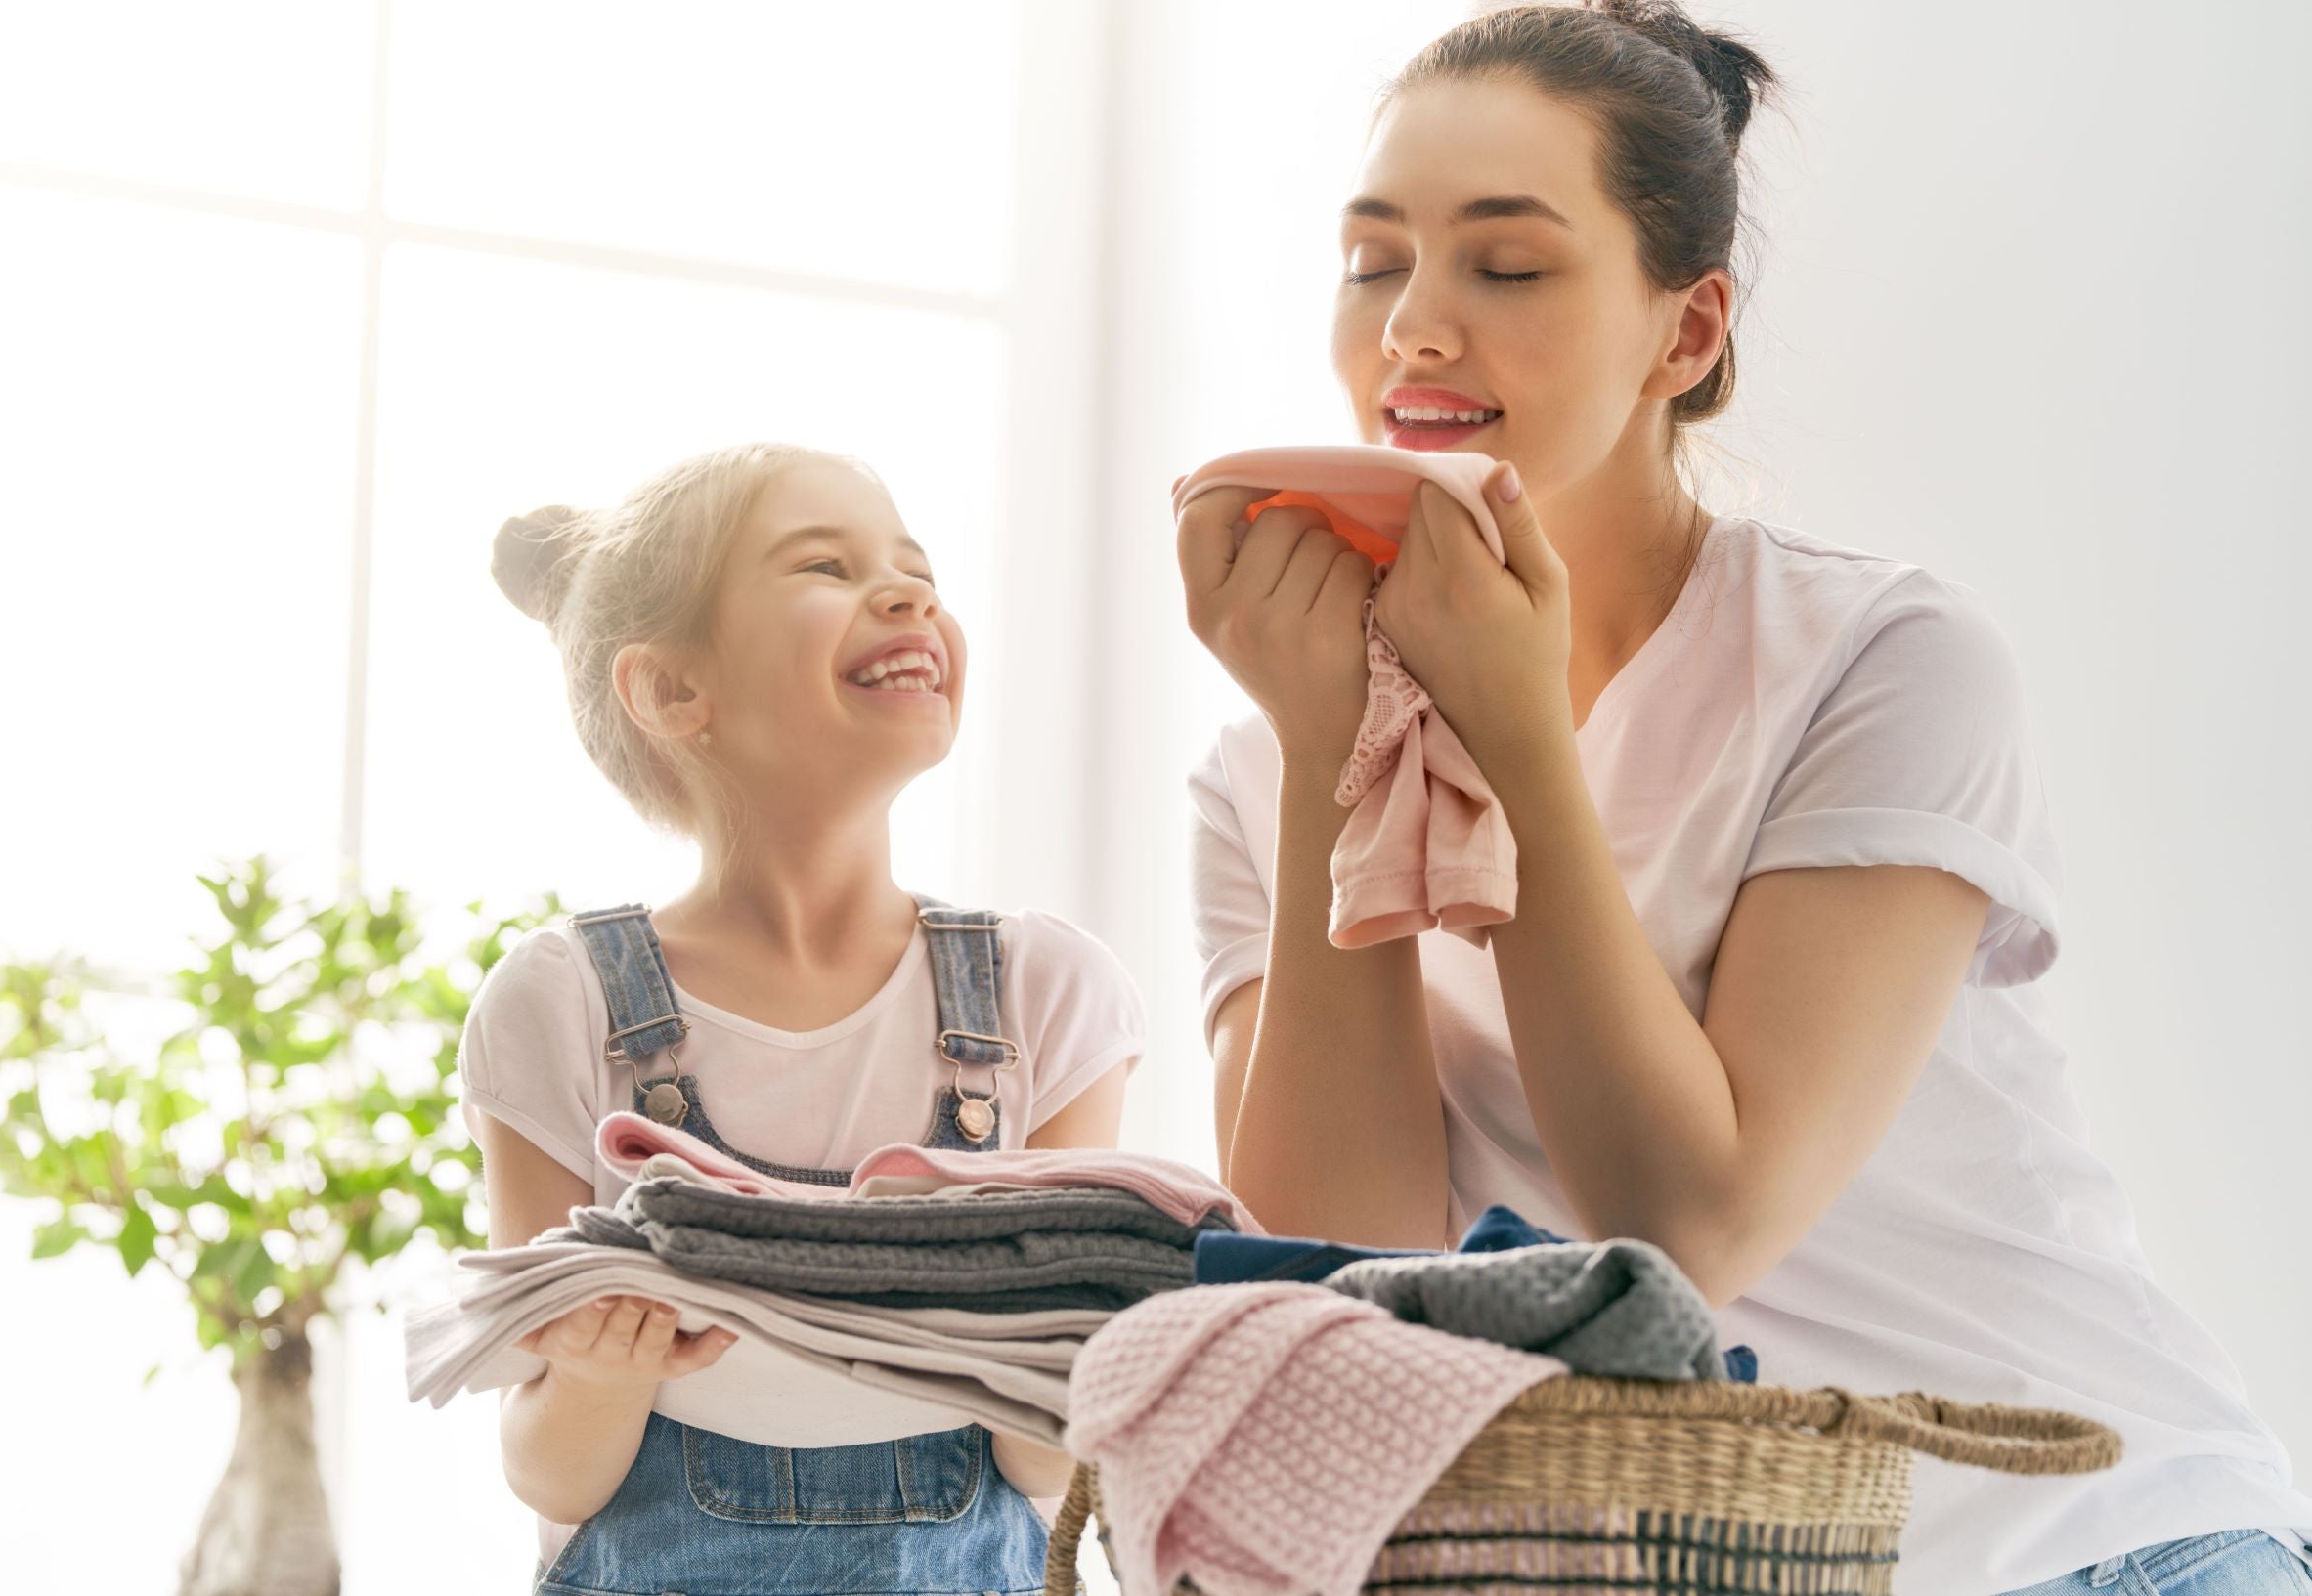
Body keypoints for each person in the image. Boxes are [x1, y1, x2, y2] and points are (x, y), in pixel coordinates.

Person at [1177, 5, 2312, 1590]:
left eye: (1503, 266)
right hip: (1722, 1558)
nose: (1411, 328)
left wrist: (1511, 730)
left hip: (2089, 1536)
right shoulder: (1262, 757)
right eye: (1372, 262)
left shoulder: (1878, 662)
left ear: (1683, 333)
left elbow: (1685, 1229)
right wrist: (1324, 751)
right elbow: (1358, 1268)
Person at [463, 442, 1142, 1594]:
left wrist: (1053, 1358)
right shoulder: (558, 1001)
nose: (907, 593)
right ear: (674, 690)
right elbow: (549, 1473)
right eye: (824, 565)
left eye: (914, 567)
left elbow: (1048, 1463)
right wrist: (597, 1372)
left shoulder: (1047, 992)